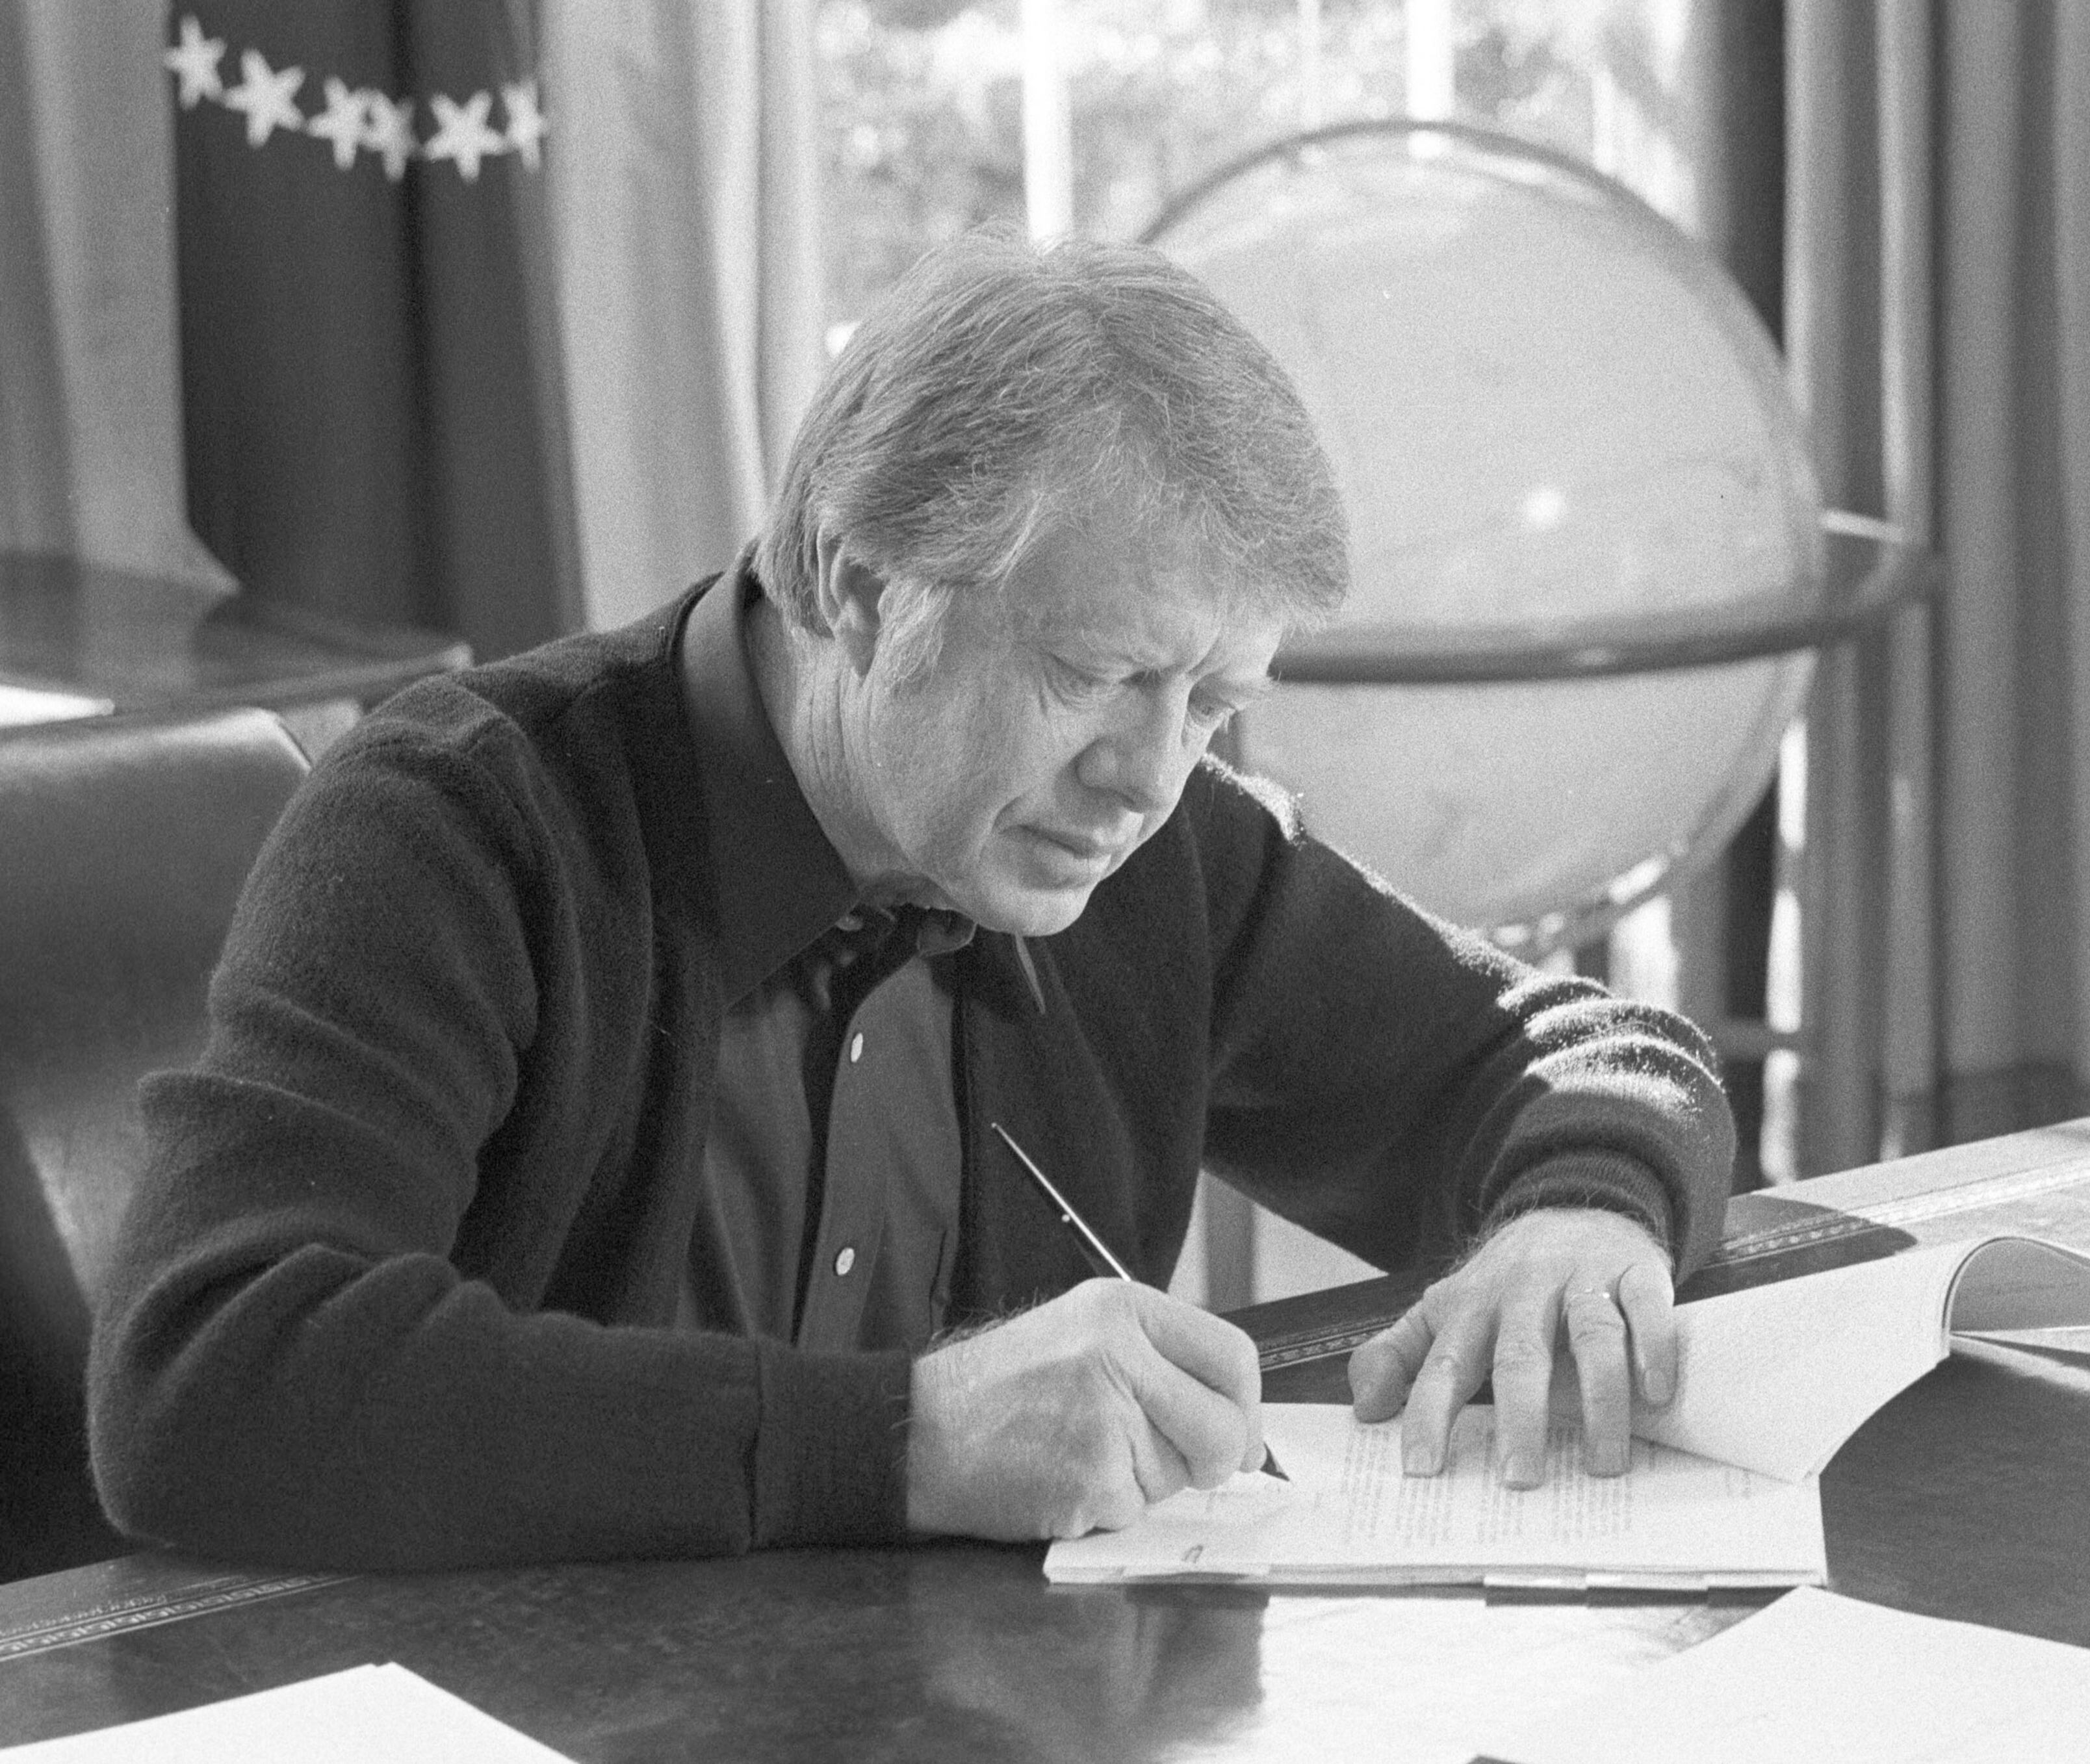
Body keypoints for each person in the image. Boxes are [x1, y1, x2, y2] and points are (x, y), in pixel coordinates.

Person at [88, 229, 1733, 1570]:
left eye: (1215, 703)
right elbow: (206, 1375)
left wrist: (1581, 1213)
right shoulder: (459, 824)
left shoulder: (1150, 848)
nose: (1150, 775)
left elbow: (1582, 1055)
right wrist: (905, 1441)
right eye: (1096, 674)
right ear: (860, 584)